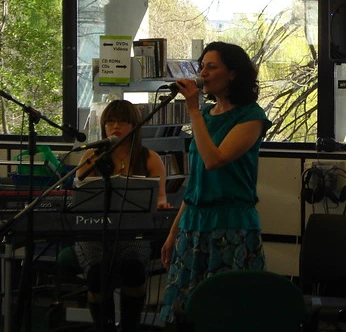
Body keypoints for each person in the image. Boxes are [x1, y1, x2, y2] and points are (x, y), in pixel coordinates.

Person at [159, 41, 272, 329]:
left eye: (212, 66)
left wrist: (194, 110)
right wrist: (173, 232)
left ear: (233, 74)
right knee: (185, 315)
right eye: (201, 67)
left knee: (228, 313)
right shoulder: (206, 116)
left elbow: (214, 160)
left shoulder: (251, 117)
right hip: (193, 224)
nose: (203, 73)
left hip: (231, 223)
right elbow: (196, 181)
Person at [74, 99, 171, 332]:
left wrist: (162, 203)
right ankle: (104, 327)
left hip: (133, 232)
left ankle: (130, 326)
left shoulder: (149, 158)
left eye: (123, 122)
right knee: (98, 273)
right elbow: (78, 188)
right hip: (95, 231)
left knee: (134, 269)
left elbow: (160, 196)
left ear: (134, 125)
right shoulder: (91, 155)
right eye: (110, 122)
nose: (115, 127)